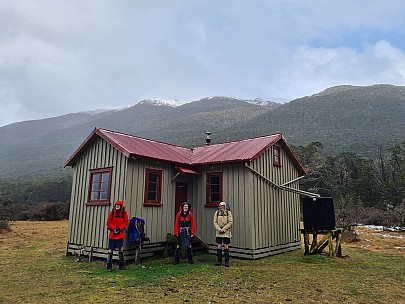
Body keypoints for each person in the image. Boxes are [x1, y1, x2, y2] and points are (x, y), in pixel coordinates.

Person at [106, 200, 129, 272]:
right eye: (116, 205)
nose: (117, 207)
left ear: (121, 207)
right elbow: (108, 222)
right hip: (112, 234)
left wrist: (120, 228)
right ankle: (109, 267)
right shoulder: (111, 213)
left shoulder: (124, 213)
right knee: (110, 250)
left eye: (118, 206)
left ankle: (121, 265)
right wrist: (114, 228)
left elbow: (126, 222)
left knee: (121, 249)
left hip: (120, 234)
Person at [213, 201, 233, 267]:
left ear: (225, 206)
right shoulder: (217, 213)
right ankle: (219, 261)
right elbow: (215, 222)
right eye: (220, 206)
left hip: (226, 232)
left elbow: (230, 222)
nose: (221, 207)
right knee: (219, 245)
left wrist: (224, 229)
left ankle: (226, 261)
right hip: (219, 232)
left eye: (223, 206)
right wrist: (219, 229)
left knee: (226, 246)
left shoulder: (228, 213)